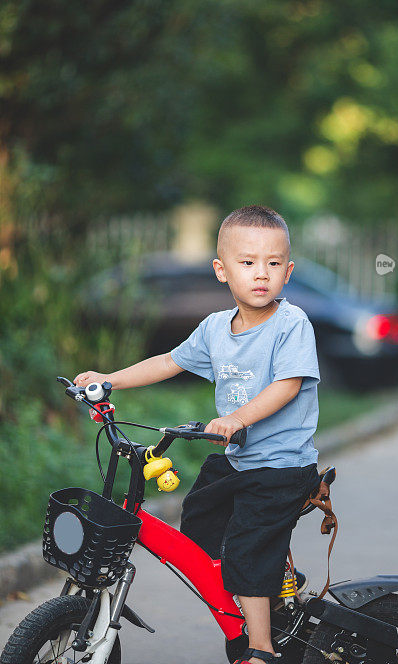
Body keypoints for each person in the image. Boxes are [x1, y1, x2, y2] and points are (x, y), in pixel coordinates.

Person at [74, 204, 321, 664]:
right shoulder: (214, 329)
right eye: (247, 263)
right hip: (236, 459)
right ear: (222, 270)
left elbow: (288, 385)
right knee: (200, 520)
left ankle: (262, 649)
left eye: (272, 264)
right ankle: (273, 582)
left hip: (282, 466)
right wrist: (110, 380)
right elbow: (168, 362)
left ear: (288, 272)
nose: (260, 274)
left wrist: (238, 418)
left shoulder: (292, 324)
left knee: (245, 550)